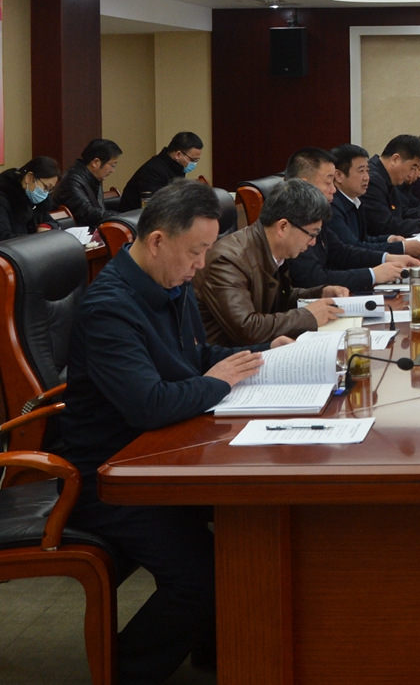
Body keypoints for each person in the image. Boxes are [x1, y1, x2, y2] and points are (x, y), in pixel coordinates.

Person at [58, 180, 270, 684]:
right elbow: (149, 404)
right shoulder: (110, 307)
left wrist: (264, 357)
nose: (201, 264)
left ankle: (222, 652)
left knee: (254, 538)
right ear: (157, 241)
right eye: (196, 252)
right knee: (205, 579)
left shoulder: (169, 284)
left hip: (166, 455)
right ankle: (124, 670)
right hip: (113, 478)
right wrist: (218, 382)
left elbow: (194, 358)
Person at [192, 178, 348, 345]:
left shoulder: (270, 248)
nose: (313, 242)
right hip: (231, 355)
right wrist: (307, 316)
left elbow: (279, 298)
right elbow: (248, 329)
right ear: (282, 227)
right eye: (312, 234)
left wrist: (319, 293)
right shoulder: (227, 260)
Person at [283, 148, 417, 292]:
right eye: (328, 182)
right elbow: (311, 279)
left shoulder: (314, 215)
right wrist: (372, 275)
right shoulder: (292, 221)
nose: (334, 190)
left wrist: (387, 258)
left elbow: (341, 252)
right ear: (305, 185)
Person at [329, 144, 420, 259]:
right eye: (361, 171)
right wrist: (401, 248)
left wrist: (389, 239)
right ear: (339, 176)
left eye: (367, 171)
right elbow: (352, 249)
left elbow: (363, 239)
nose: (366, 177)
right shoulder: (333, 206)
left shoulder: (354, 201)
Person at [0, 156, 60, 246]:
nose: (46, 193)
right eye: (46, 187)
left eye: (50, 190)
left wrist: (46, 226)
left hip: (26, 250)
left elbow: (52, 222)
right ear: (29, 178)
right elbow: (1, 239)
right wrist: (37, 239)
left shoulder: (33, 201)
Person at [363, 135, 420, 238]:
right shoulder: (372, 180)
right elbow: (385, 226)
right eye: (413, 167)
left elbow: (400, 212)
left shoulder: (387, 177)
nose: (412, 174)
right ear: (395, 159)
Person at [119, 132, 204, 209]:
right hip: (136, 218)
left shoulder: (176, 167)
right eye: (193, 160)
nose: (194, 164)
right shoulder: (152, 171)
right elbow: (156, 206)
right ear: (178, 155)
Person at [54, 138, 123, 228]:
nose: (112, 170)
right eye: (112, 165)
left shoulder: (94, 177)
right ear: (95, 162)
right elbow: (86, 212)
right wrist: (120, 217)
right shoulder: (72, 180)